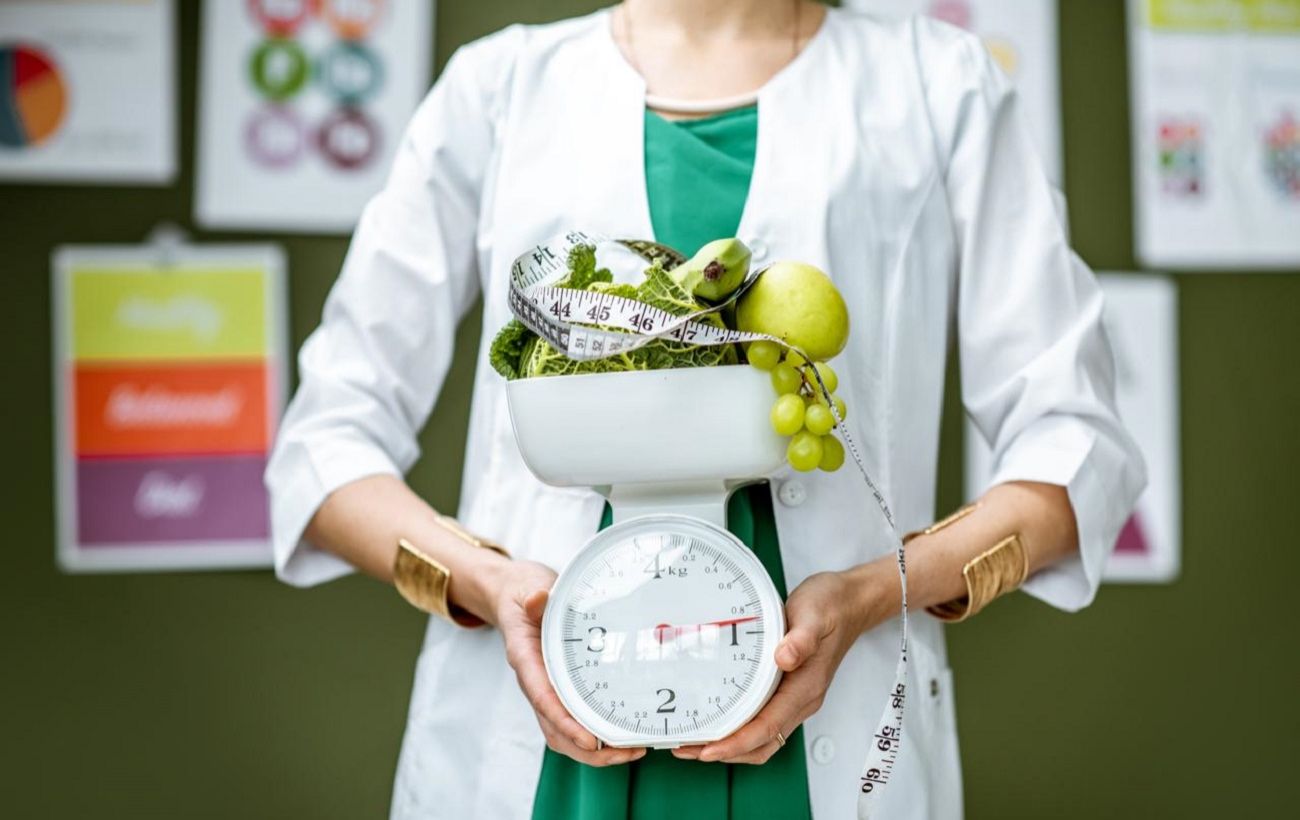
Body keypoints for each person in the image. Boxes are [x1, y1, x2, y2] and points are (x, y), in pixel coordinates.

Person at [265, 1, 1146, 818]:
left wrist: (873, 595)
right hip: (536, 752)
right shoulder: (498, 89)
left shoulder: (938, 84)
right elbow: (323, 448)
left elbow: (1076, 449)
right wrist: (488, 585)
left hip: (834, 743)